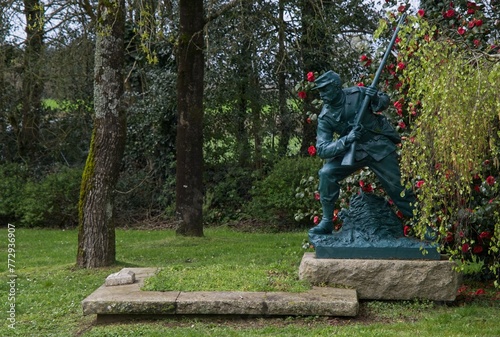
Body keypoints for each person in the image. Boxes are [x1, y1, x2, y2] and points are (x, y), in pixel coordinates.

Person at [309, 70, 415, 235]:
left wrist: (375, 97)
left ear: (336, 87)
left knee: (398, 187)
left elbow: (383, 103)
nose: (322, 95)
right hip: (353, 149)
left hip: (377, 146)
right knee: (326, 173)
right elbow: (323, 149)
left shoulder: (357, 93)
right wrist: (346, 140)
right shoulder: (325, 116)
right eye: (320, 91)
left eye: (325, 90)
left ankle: (421, 222)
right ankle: (327, 221)